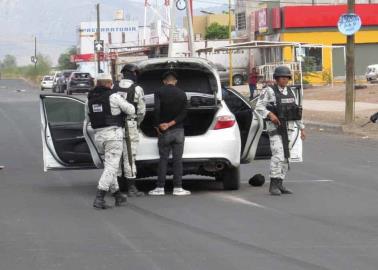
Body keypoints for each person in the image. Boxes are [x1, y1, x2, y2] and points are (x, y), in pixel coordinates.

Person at [86, 73, 135, 209]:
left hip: (99, 136)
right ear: (108, 83)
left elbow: (88, 117)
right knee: (111, 167)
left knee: (110, 166)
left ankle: (117, 195)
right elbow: (131, 110)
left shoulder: (89, 98)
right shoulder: (114, 96)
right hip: (113, 135)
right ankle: (100, 197)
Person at [255, 66, 306, 196]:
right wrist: (270, 115)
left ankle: (280, 183)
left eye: (287, 78)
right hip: (275, 129)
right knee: (278, 156)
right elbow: (258, 107)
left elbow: (296, 111)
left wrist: (302, 128)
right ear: (277, 79)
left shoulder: (290, 91)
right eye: (282, 78)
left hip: (289, 128)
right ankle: (273, 185)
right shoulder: (268, 91)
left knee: (286, 157)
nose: (285, 80)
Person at [149, 71, 190, 196]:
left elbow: (156, 110)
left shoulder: (159, 92)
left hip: (164, 131)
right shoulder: (182, 94)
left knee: (163, 159)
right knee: (178, 160)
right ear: (175, 81)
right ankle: (178, 188)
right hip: (178, 131)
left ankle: (160, 188)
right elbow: (184, 114)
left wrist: (159, 126)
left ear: (164, 81)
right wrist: (171, 123)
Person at [116, 63, 146, 197]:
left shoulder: (113, 87)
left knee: (116, 157)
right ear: (134, 74)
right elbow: (141, 111)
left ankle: (116, 187)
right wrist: (137, 123)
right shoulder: (137, 89)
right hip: (130, 126)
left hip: (115, 127)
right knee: (130, 157)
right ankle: (131, 188)